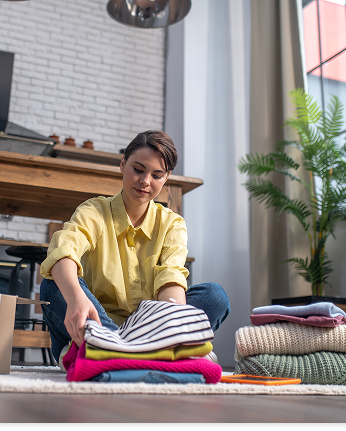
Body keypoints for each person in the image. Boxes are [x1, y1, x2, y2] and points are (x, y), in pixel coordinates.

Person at [39, 130, 230, 366]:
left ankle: (114, 353)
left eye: (157, 175)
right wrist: (76, 297)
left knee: (214, 297)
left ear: (167, 177)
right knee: (53, 285)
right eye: (138, 170)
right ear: (123, 164)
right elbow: (63, 252)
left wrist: (174, 324)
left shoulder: (172, 224)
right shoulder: (94, 211)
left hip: (148, 328)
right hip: (97, 322)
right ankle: (145, 353)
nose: (145, 181)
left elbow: (171, 279)